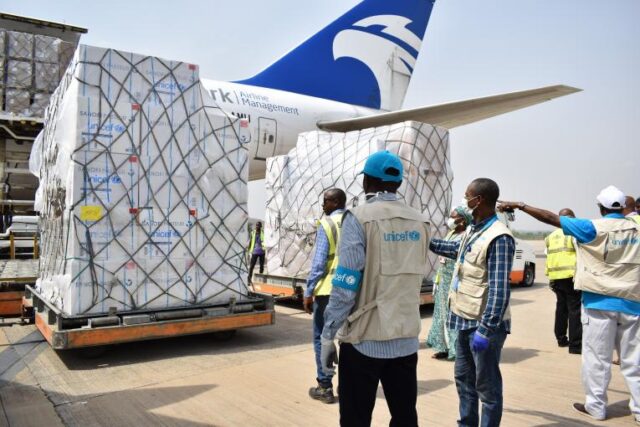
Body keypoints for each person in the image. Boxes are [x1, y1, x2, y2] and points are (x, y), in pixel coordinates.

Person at [498, 185, 640, 424]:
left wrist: (521, 206)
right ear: (624, 207)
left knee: (597, 360)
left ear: (601, 208)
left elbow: (551, 218)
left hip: (599, 302)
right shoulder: (637, 227)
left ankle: (596, 407)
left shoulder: (592, 227)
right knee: (634, 361)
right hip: (633, 303)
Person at [320, 150, 430, 427]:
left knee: (355, 419)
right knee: (405, 417)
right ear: (398, 183)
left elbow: (345, 285)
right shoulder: (420, 221)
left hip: (364, 340)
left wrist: (327, 335)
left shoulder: (359, 218)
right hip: (405, 338)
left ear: (367, 181)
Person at [429, 178, 515, 427]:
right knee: (464, 380)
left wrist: (485, 331)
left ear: (478, 200)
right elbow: (454, 251)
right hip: (464, 320)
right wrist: (425, 239)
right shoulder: (473, 230)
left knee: (487, 388)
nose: (464, 200)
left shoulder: (499, 237)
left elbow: (499, 290)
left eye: (467, 196)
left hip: (483, 327)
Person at [305, 188, 347, 404]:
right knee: (348, 339)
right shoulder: (355, 222)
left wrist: (308, 290)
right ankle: (348, 386)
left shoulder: (327, 224)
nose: (323, 205)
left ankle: (325, 386)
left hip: (328, 291)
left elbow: (320, 263)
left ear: (336, 202)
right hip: (350, 289)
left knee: (323, 338)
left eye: (326, 201)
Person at [426, 206, 472, 360]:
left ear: (463, 220)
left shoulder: (466, 236)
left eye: (453, 217)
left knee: (453, 316)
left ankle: (456, 350)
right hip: (443, 280)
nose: (450, 220)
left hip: (455, 281)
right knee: (441, 315)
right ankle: (443, 347)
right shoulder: (451, 233)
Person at [544, 208, 581, 354]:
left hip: (556, 278)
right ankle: (576, 345)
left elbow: (548, 256)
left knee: (561, 309)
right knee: (575, 310)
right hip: (571, 277)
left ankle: (561, 339)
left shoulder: (550, 237)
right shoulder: (573, 235)